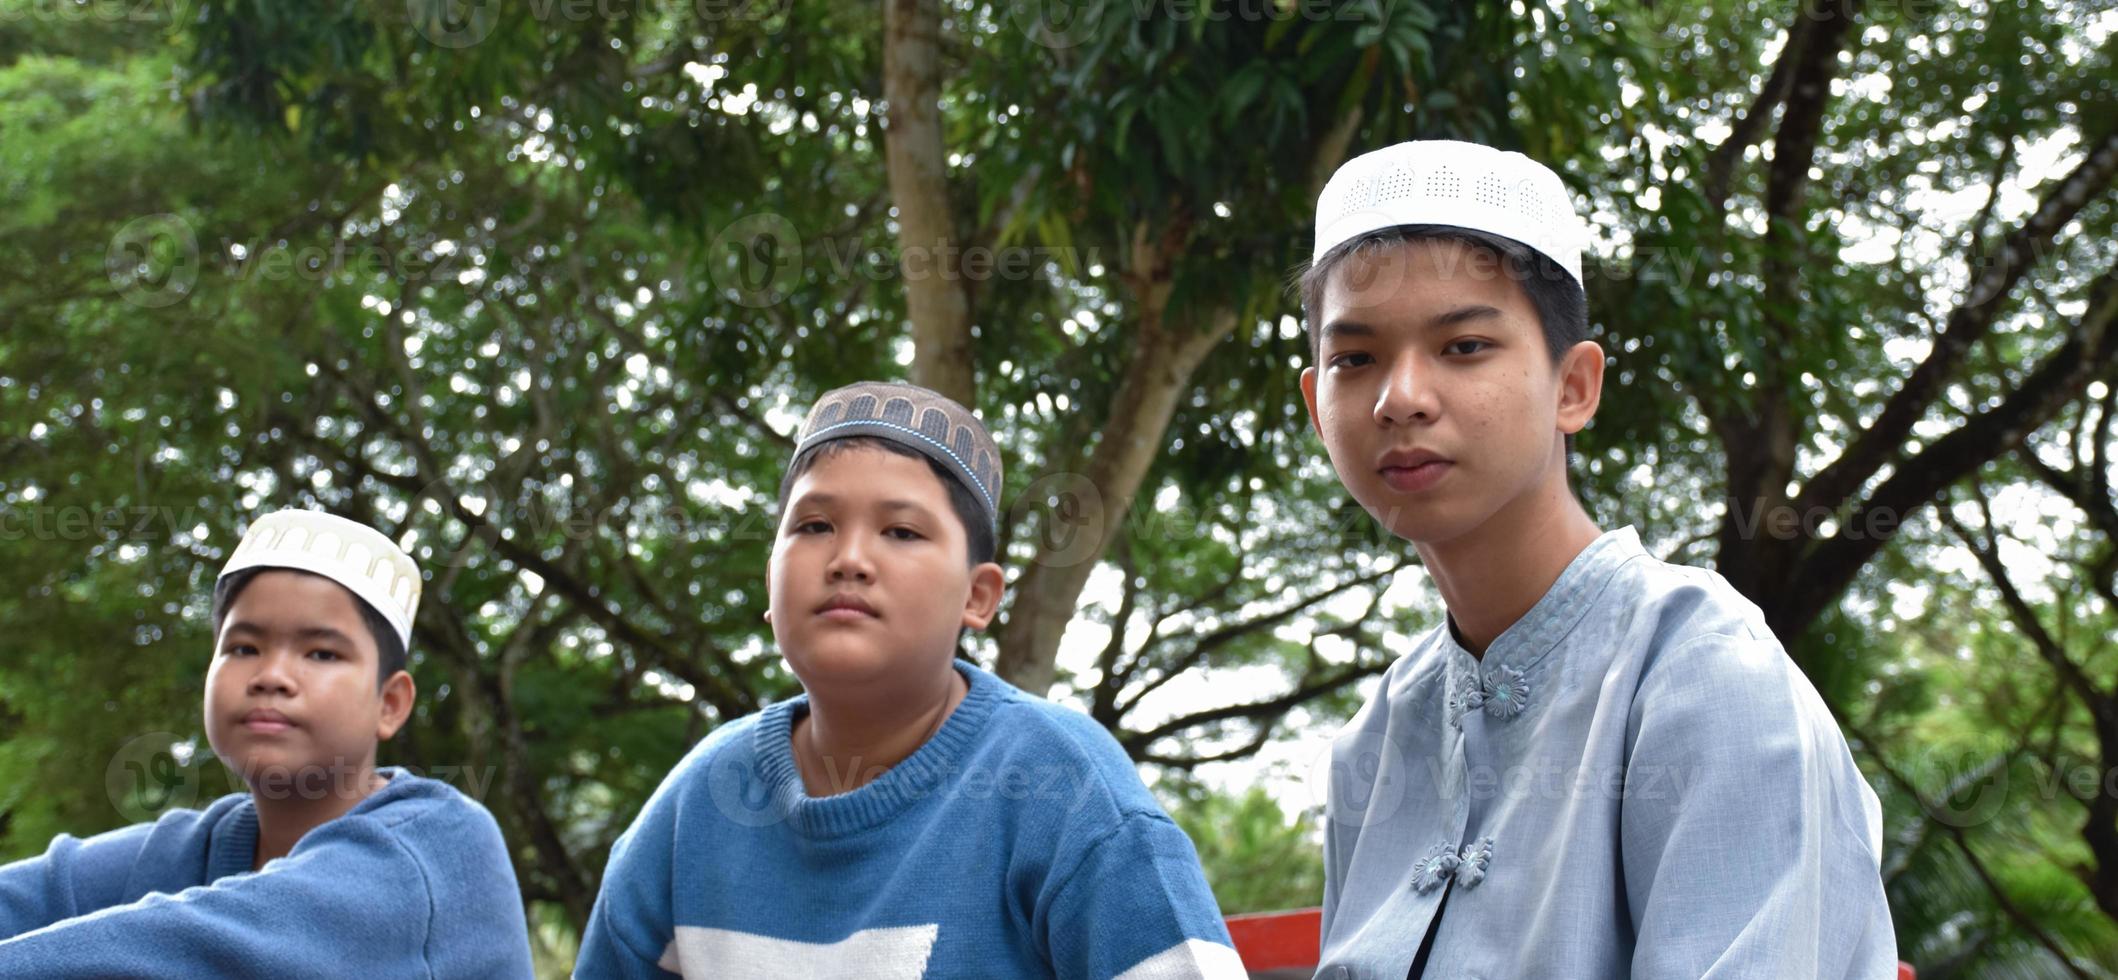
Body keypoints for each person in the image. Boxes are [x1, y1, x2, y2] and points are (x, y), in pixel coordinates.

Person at [1300, 140, 1895, 977]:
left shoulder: (1702, 674)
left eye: (1464, 345)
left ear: (1574, 387)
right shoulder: (1378, 738)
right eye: (1354, 358)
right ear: (1318, 410)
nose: (1402, 398)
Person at [576, 381, 1241, 979]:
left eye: (900, 531)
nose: (849, 558)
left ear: (977, 598)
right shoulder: (698, 804)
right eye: (814, 526)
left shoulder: (1063, 786)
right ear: (769, 585)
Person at [0, 509, 534, 978]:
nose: (272, 675)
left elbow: (189, 953)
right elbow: (36, 894)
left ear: (390, 703)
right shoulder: (182, 851)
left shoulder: (436, 849)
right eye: (244, 647)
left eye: (321, 653)